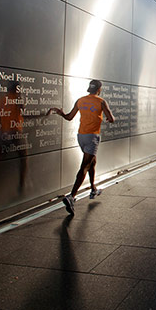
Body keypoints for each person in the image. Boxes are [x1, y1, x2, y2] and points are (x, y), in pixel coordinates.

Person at [47, 79, 115, 215]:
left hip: (81, 136)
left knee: (92, 162)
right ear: (99, 89)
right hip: (92, 137)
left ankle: (93, 189)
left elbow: (69, 117)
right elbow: (112, 119)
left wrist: (61, 113)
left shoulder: (80, 100)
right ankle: (71, 196)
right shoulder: (101, 101)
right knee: (85, 166)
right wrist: (107, 118)